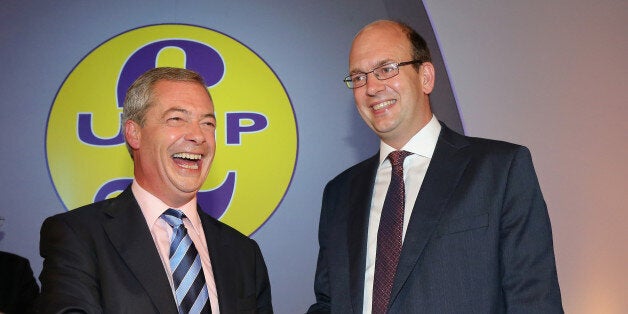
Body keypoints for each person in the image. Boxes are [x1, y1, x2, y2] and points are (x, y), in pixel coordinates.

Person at [307, 20, 563, 313]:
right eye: (359, 77)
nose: (372, 87)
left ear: (426, 76)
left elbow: (534, 300)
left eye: (386, 69)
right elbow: (329, 303)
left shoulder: (499, 170)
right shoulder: (339, 194)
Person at [37, 67, 273, 313]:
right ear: (134, 133)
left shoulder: (244, 254)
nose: (198, 135)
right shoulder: (79, 236)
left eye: (207, 123)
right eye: (176, 119)